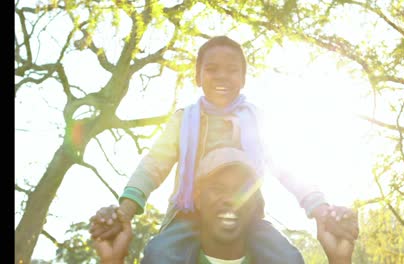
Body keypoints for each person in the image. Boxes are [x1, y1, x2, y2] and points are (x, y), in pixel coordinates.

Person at [89, 35, 358, 263]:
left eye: (232, 70)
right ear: (197, 76)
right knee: (159, 253)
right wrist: (125, 210)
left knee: (287, 257)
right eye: (212, 69)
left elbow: (287, 168)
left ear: (243, 78)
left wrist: (320, 209)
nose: (222, 76)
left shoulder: (256, 120)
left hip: (244, 213)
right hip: (190, 213)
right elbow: (153, 165)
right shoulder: (185, 120)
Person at [92, 148, 357, 264]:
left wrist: (340, 260)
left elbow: (289, 172)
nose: (229, 198)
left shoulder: (279, 256)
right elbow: (153, 164)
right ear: (196, 198)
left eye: (241, 190)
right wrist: (113, 260)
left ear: (255, 203)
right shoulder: (167, 255)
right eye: (217, 188)